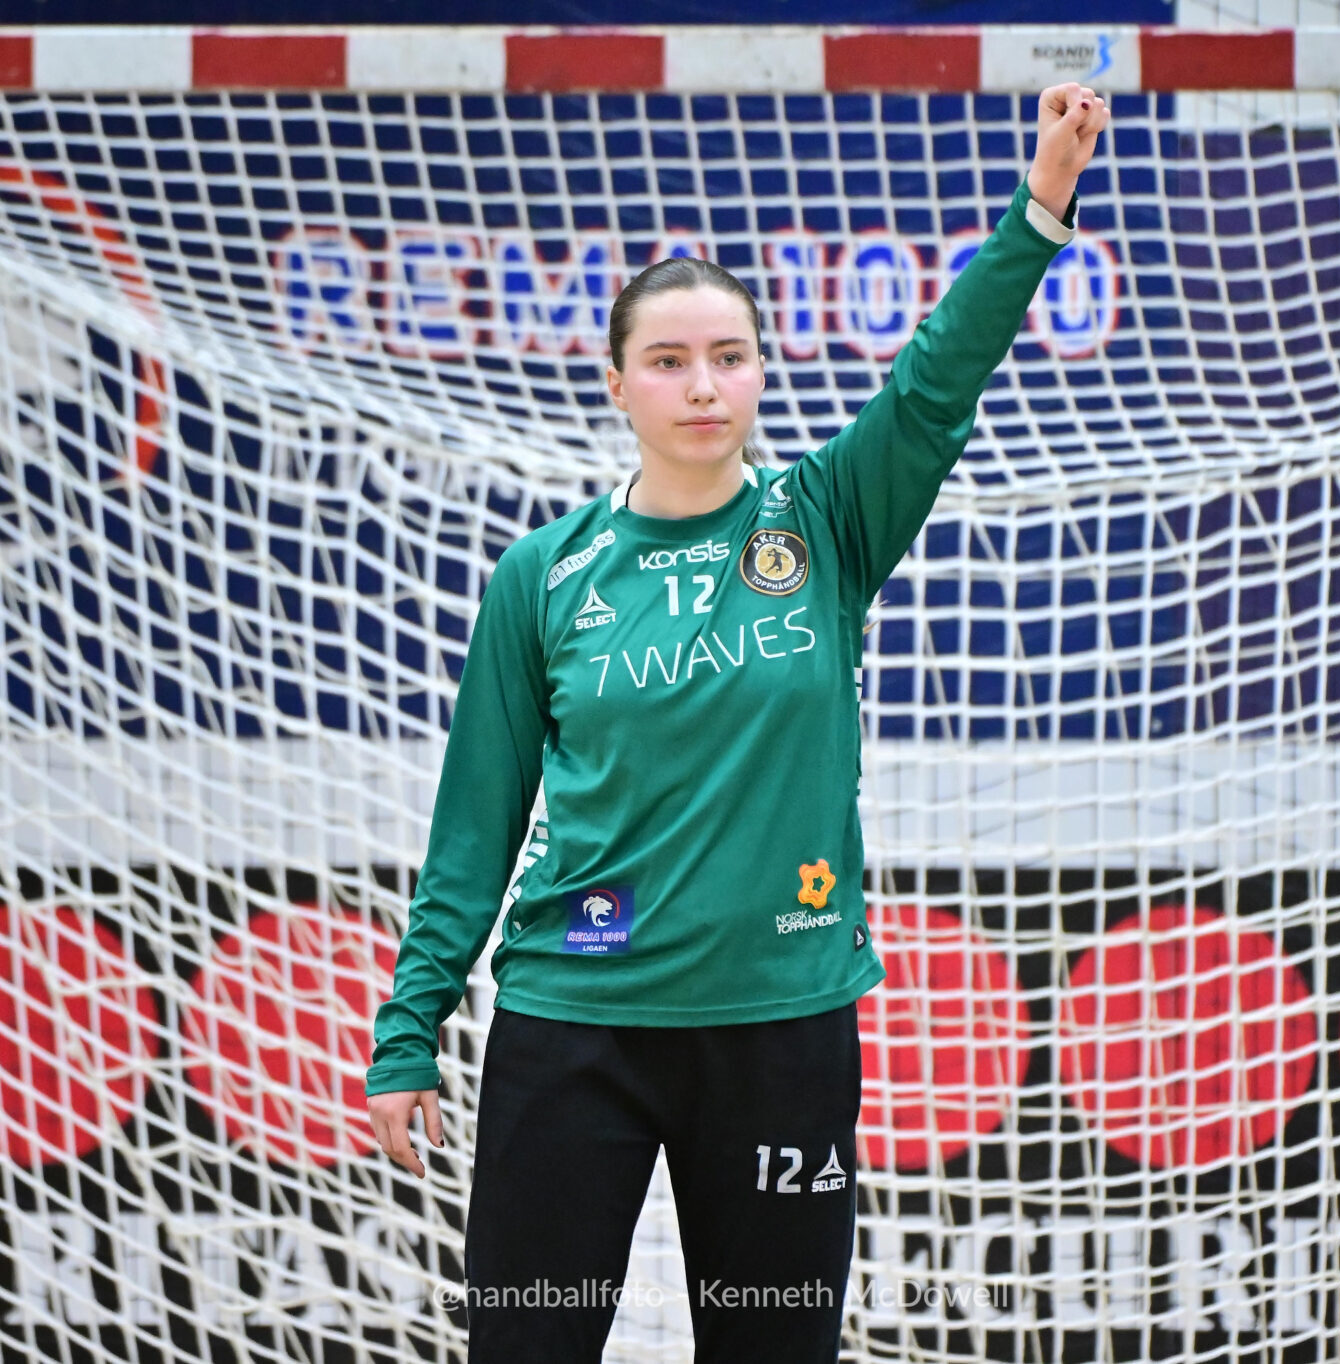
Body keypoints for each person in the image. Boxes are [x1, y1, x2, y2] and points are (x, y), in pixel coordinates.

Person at [367, 83, 1109, 1364]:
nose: (702, 385)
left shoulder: (824, 521)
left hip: (780, 1029)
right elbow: (475, 826)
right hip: (574, 1023)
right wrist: (407, 1027)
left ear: (762, 372)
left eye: (729, 356)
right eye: (668, 360)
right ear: (616, 383)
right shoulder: (542, 574)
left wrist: (1040, 206)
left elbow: (934, 385)